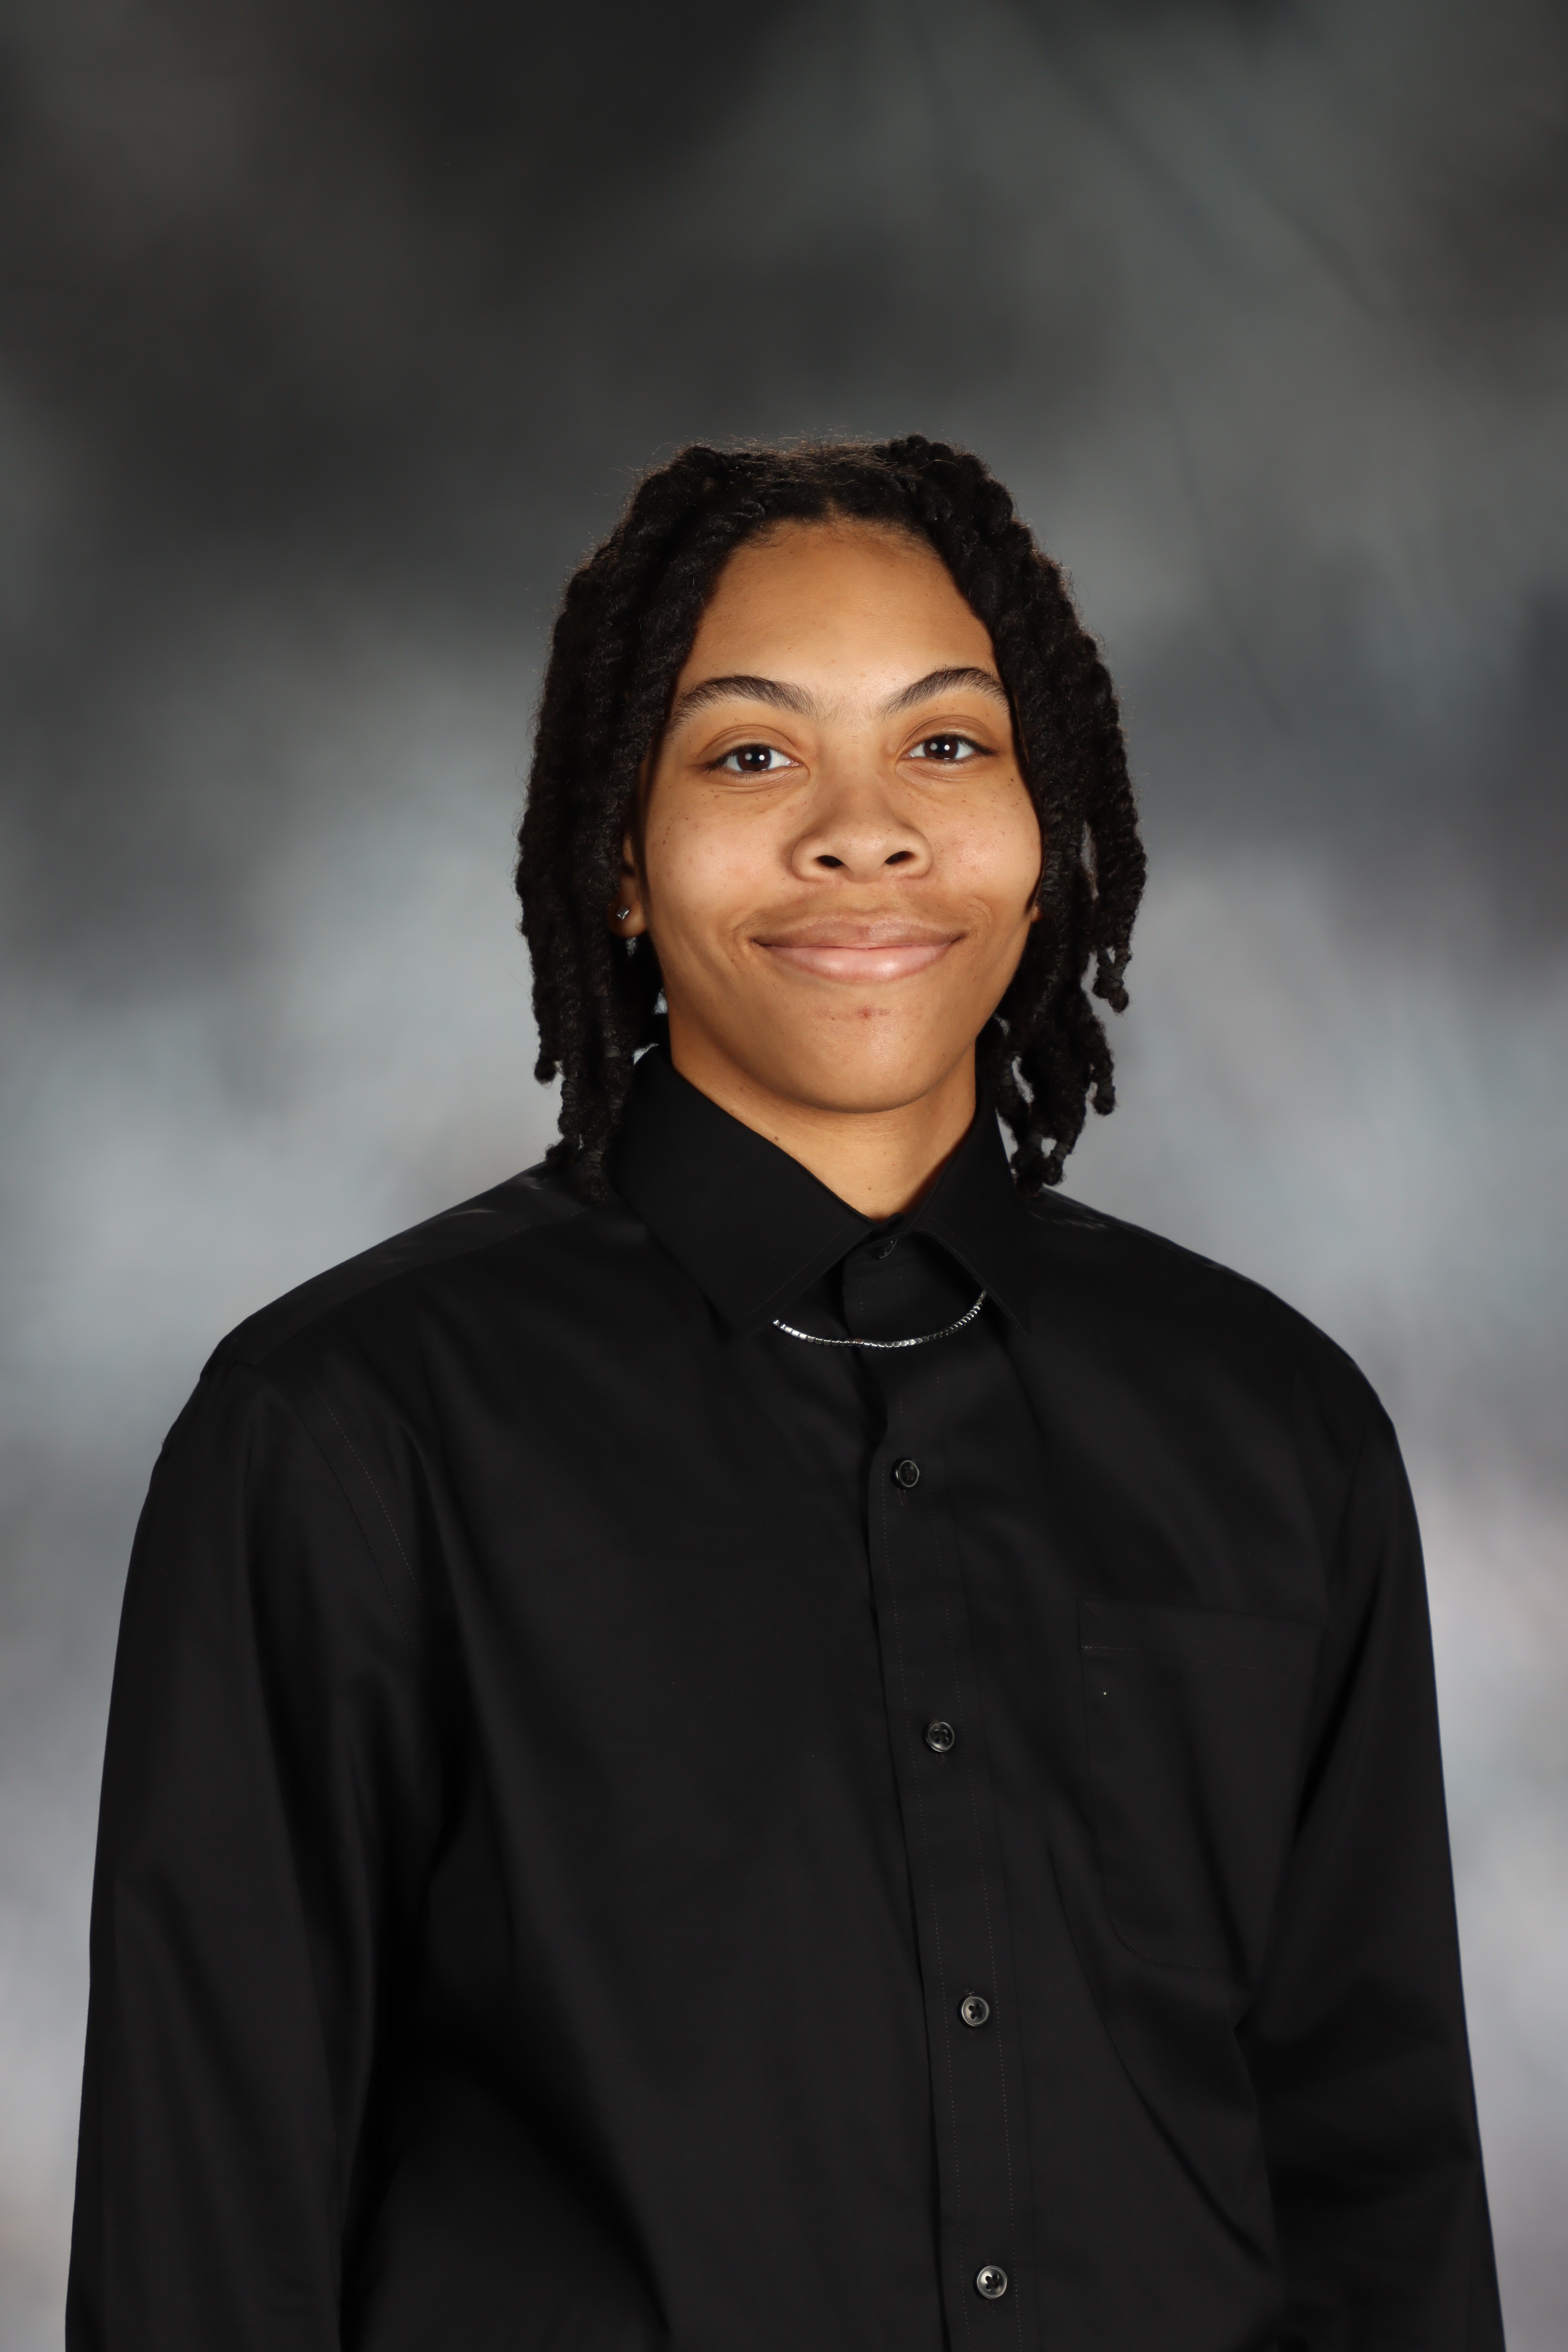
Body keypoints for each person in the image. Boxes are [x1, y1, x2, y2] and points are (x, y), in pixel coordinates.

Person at [67, 438, 1502, 2352]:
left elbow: (1381, 2194)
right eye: (751, 756)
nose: (862, 834)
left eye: (945, 745)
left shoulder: (1275, 1428)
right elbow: (205, 2235)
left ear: (1047, 832)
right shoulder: (346, 1437)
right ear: (618, 854)